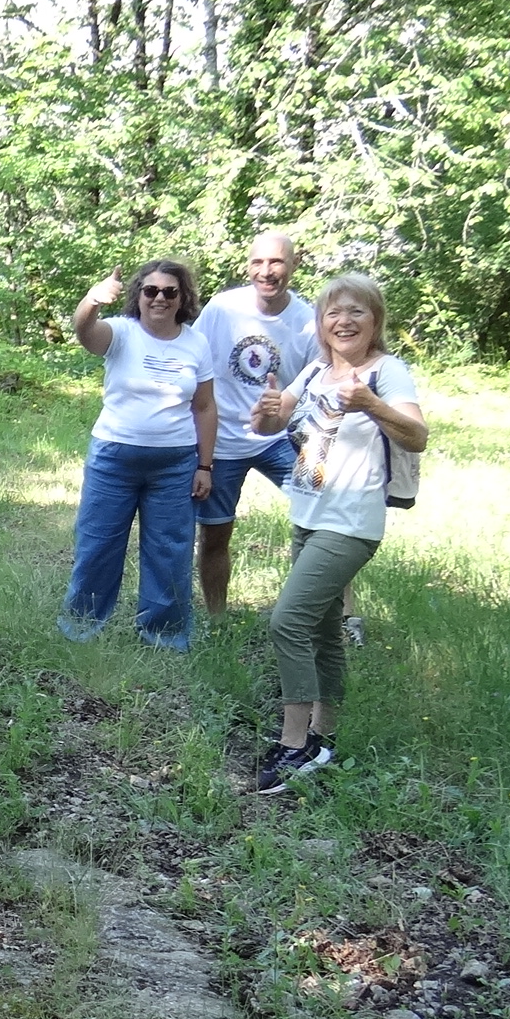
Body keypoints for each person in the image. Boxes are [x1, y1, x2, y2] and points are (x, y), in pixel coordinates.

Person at [247, 273, 426, 792]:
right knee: (323, 631)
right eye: (333, 313)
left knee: (287, 622)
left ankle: (293, 744)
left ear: (376, 322)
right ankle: (325, 739)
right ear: (321, 325)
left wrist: (369, 403)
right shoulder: (315, 372)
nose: (343, 321)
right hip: (308, 515)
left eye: (357, 312)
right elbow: (273, 426)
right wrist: (265, 415)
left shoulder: (388, 372)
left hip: (350, 524)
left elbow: (417, 436)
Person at [59, 260, 217, 650]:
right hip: (114, 457)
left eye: (169, 292)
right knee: (97, 544)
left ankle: (164, 635)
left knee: (170, 550)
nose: (159, 298)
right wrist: (92, 301)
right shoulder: (122, 333)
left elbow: (205, 407)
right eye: (150, 291)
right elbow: (84, 333)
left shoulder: (196, 342)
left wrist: (205, 465)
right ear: (139, 295)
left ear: (183, 298)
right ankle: (82, 626)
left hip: (175, 462)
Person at [194, 231, 315, 618]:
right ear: (248, 266)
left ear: (294, 265)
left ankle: (340, 615)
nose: (267, 271)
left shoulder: (309, 322)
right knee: (214, 535)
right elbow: (192, 360)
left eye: (277, 262)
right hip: (222, 440)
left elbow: (319, 386)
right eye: (258, 262)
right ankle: (217, 619)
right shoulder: (222, 308)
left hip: (280, 436)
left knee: (326, 518)